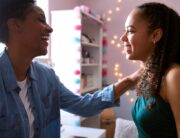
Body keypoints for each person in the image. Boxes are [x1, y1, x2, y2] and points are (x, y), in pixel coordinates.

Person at [0, 0, 142, 138]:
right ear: (15, 25)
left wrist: (130, 80)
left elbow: (83, 106)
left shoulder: (47, 76)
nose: (50, 28)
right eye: (41, 20)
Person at [120, 2, 180, 138]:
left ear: (155, 35)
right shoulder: (148, 74)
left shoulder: (174, 76)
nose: (122, 38)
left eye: (130, 31)